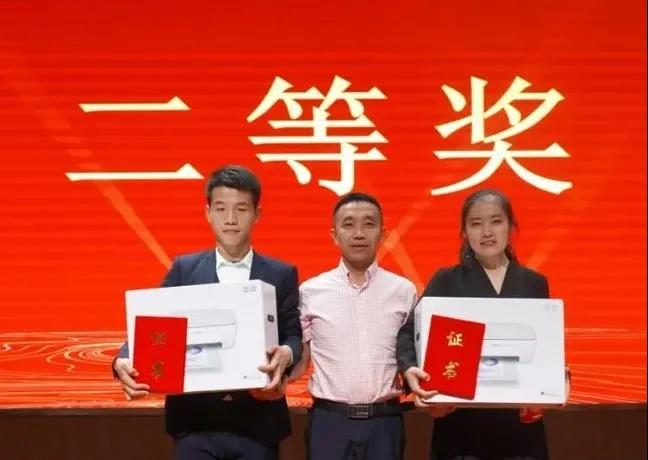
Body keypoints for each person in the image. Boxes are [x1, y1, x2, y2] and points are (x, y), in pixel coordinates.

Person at [112, 165, 302, 460]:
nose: (230, 219)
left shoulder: (281, 273)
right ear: (208, 213)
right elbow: (151, 326)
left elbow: (293, 334)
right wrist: (123, 360)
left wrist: (287, 354)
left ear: (257, 214)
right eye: (221, 208)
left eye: (241, 209)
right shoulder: (184, 269)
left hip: (259, 423)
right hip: (195, 424)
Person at [398, 188, 559, 460]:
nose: (487, 232)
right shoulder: (446, 281)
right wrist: (411, 370)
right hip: (460, 427)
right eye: (476, 224)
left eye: (496, 221)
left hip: (519, 430)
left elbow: (544, 345)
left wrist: (553, 377)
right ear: (464, 232)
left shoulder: (534, 283)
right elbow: (407, 333)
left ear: (511, 226)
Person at [290, 192, 434, 460]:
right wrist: (270, 378)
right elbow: (301, 360)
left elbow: (414, 355)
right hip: (329, 423)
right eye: (348, 224)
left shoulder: (403, 291)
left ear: (382, 233)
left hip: (385, 423)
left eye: (369, 224)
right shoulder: (310, 291)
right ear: (334, 235)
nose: (359, 234)